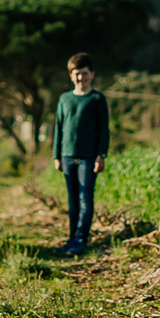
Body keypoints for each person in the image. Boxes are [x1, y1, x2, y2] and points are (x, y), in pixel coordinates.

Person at [53, 52, 110, 255]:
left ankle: (81, 239)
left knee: (85, 198)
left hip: (88, 157)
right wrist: (56, 156)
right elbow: (58, 128)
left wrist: (101, 155)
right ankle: (71, 239)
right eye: (77, 74)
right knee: (72, 200)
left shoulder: (97, 99)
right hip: (67, 156)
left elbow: (104, 130)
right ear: (71, 75)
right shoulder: (64, 99)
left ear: (91, 74)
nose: (81, 78)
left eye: (84, 73)